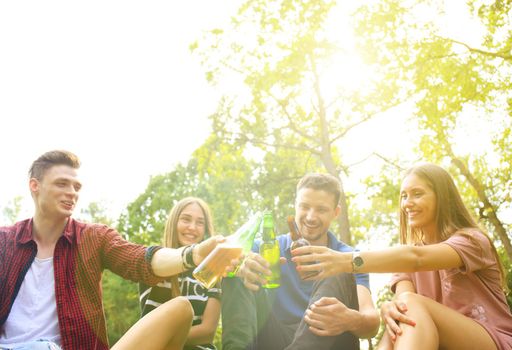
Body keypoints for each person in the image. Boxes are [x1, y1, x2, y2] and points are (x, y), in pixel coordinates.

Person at [0, 150, 228, 350]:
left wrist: (193, 254)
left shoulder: (93, 238)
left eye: (76, 187)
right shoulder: (5, 241)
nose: (72, 192)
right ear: (35, 186)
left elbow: (140, 259)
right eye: (62, 184)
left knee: (181, 309)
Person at [291, 163, 512, 350]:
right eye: (404, 196)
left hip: (491, 341)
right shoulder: (405, 264)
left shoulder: (472, 241)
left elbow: (418, 258)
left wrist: (344, 261)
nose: (407, 203)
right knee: (402, 312)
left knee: (409, 303)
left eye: (418, 194)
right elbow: (406, 306)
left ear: (442, 197)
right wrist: (390, 307)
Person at [221, 173, 380, 350]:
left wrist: (351, 319)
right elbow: (219, 258)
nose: (311, 217)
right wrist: (240, 265)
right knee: (236, 267)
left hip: (329, 342)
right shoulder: (266, 248)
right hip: (274, 337)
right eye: (305, 207)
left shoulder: (349, 256)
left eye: (321, 209)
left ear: (336, 212)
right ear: (295, 206)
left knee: (340, 266)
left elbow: (372, 324)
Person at [139, 197, 221, 350]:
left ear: (205, 230)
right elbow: (149, 328)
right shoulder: (154, 262)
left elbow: (207, 332)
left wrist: (165, 338)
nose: (192, 227)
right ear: (174, 223)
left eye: (200, 222)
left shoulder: (212, 270)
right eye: (186, 219)